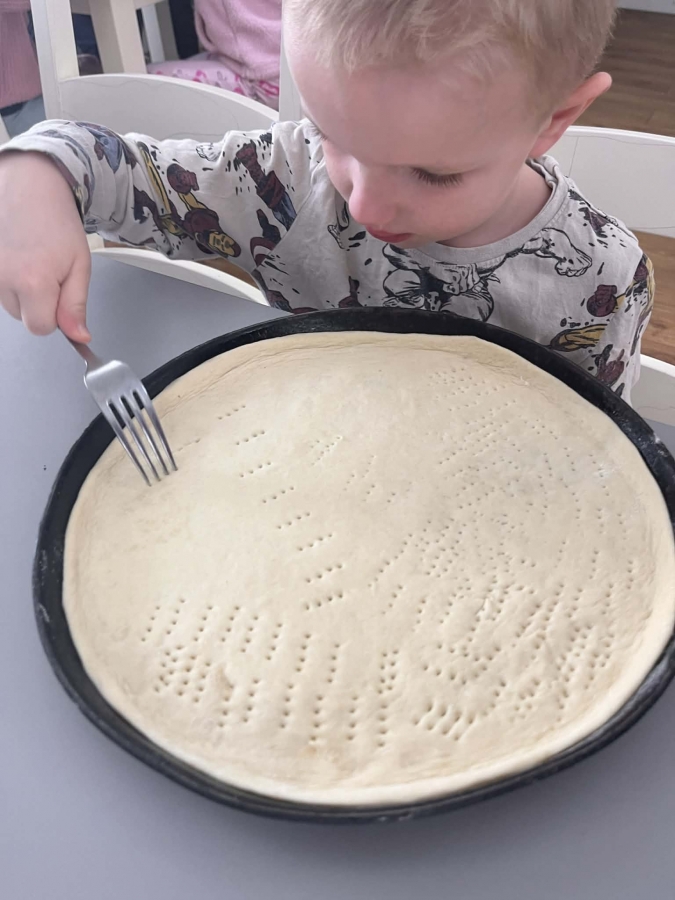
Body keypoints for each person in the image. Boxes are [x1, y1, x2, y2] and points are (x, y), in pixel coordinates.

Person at [0, 0, 651, 400]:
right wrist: (38, 173)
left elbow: (596, 453)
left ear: (552, 121)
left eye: (431, 174)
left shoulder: (597, 280)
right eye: (332, 135)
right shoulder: (279, 180)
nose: (364, 206)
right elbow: (123, 176)